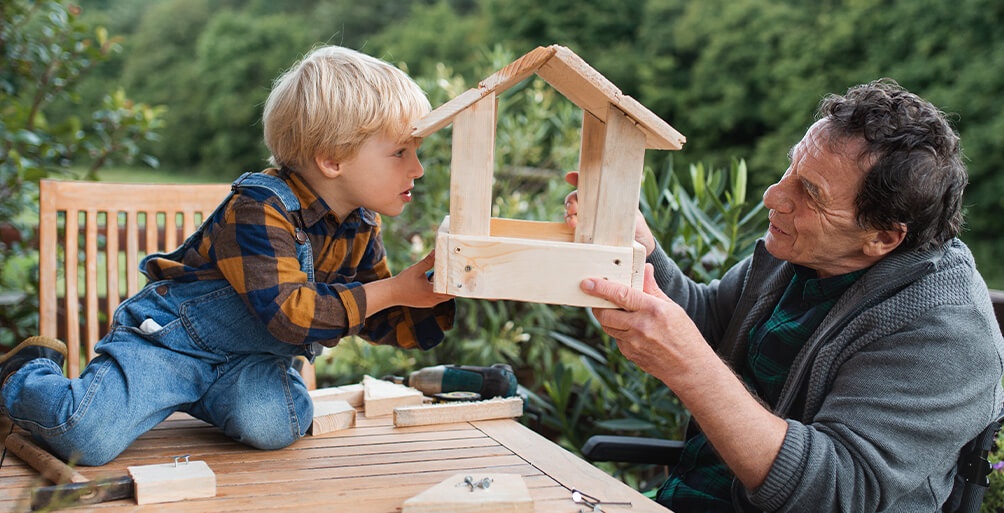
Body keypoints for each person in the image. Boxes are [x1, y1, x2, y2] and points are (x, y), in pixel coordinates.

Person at [0, 45, 455, 466]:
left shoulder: (360, 224)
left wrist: (454, 284)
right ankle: (25, 374)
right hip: (170, 344)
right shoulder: (260, 209)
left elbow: (378, 316)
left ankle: (214, 393)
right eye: (400, 152)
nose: (417, 168)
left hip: (245, 362)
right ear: (332, 159)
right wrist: (394, 288)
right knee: (86, 438)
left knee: (279, 426)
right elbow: (292, 316)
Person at [565, 79, 1004, 512]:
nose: (773, 195)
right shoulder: (805, 249)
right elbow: (710, 322)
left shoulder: (946, 332)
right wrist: (639, 246)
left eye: (810, 193)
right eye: (792, 168)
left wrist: (689, 367)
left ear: (883, 237)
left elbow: (832, 493)